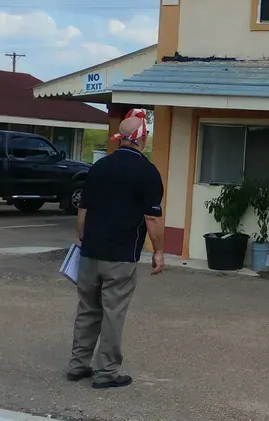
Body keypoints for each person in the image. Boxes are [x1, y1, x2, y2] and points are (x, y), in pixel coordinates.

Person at [66, 108, 165, 389]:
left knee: (87, 308)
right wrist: (158, 251)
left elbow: (82, 211)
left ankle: (78, 364)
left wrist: (83, 240)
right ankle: (106, 371)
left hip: (90, 252)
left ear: (121, 138)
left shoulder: (98, 168)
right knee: (113, 311)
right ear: (142, 139)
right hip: (121, 255)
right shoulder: (147, 172)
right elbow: (152, 217)